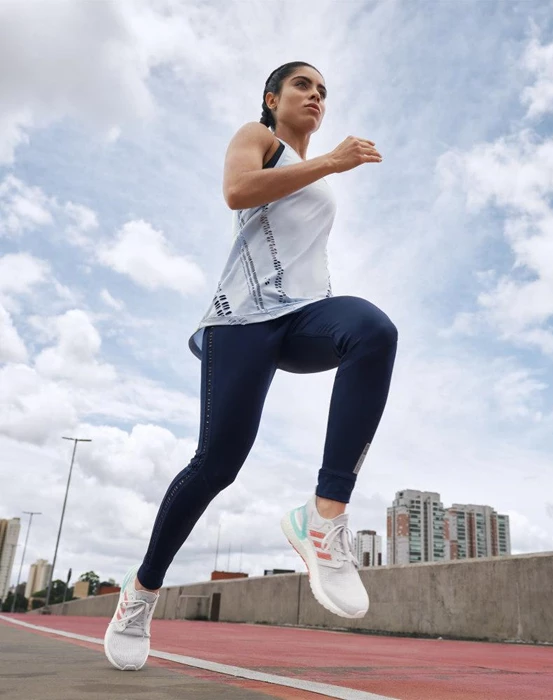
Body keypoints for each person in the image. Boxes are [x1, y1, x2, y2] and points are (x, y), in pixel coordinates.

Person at [104, 61, 398, 671]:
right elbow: (237, 192)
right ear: (272, 97)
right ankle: (141, 593)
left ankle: (323, 519)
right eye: (302, 86)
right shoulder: (258, 137)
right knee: (218, 463)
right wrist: (329, 162)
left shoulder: (320, 175)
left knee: (372, 331)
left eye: (323, 91)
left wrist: (325, 171)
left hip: (303, 315)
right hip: (240, 322)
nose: (315, 96)